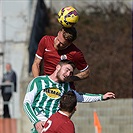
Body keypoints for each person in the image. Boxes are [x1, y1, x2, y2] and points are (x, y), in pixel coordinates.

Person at [23, 60, 115, 133]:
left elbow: (79, 96)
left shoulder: (66, 86)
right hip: (41, 124)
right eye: (67, 70)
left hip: (56, 124)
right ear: (58, 67)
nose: (68, 74)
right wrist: (36, 122)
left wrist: (101, 97)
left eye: (71, 73)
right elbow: (27, 103)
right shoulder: (39, 81)